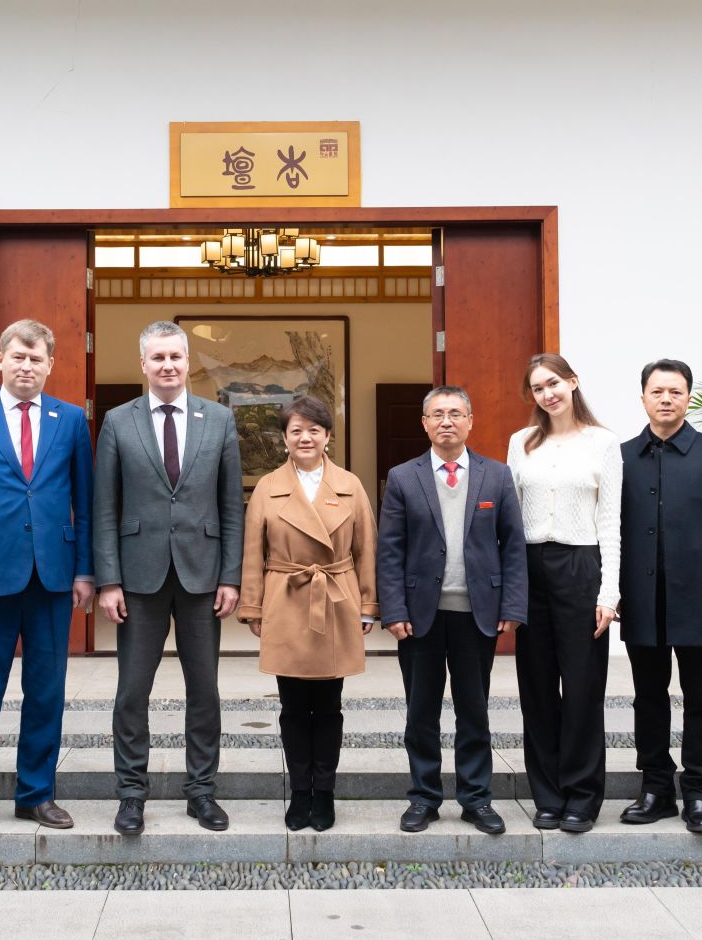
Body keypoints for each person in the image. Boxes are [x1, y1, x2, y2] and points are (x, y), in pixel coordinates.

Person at [0, 319, 94, 835]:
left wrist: (84, 570)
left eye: (36, 358)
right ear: (0, 360)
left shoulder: (70, 421)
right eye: (18, 357)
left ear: (50, 364)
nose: (27, 366)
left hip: (52, 578)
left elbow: (85, 504)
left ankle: (36, 794)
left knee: (46, 692)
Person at [93, 320, 243, 836]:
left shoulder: (218, 419)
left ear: (187, 361)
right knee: (132, 691)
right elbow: (104, 507)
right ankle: (131, 794)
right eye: (157, 357)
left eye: (175, 356)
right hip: (138, 578)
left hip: (203, 575)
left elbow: (231, 506)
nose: (168, 365)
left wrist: (231, 576)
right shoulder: (118, 421)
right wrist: (108, 580)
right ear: (143, 364)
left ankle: (201, 791)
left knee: (204, 690)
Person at [376, 385, 527, 836]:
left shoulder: (496, 475)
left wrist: (512, 604)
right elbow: (390, 550)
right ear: (424, 423)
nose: (447, 421)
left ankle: (476, 799)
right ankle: (423, 798)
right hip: (419, 615)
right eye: (438, 414)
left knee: (473, 711)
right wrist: (393, 609)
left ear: (470, 421)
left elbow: (513, 546)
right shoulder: (403, 477)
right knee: (421, 713)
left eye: (455, 413)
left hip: (477, 613)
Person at [615, 359, 702, 835]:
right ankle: (655, 789)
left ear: (688, 398)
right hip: (641, 596)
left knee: (701, 698)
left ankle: (698, 792)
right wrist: (612, 591)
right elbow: (610, 530)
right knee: (648, 697)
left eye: (675, 391)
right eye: (657, 391)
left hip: (701, 597)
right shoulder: (622, 456)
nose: (666, 399)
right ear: (643, 398)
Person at [238, 395, 379, 833]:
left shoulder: (350, 485)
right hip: (286, 599)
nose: (305, 438)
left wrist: (368, 604)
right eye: (296, 430)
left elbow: (367, 550)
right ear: (284, 438)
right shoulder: (268, 488)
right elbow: (253, 552)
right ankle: (300, 791)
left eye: (314, 430)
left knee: (330, 705)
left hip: (336, 599)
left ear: (328, 436)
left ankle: (326, 792)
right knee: (293, 706)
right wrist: (252, 605)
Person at [506, 352, 620, 834]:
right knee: (535, 688)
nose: (547, 394)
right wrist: (509, 589)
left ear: (572, 382)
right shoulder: (521, 443)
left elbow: (610, 522)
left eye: (553, 383)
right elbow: (510, 519)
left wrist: (609, 594)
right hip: (530, 568)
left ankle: (582, 796)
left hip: (581, 567)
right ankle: (548, 796)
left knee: (582, 687)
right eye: (538, 388)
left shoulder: (603, 442)